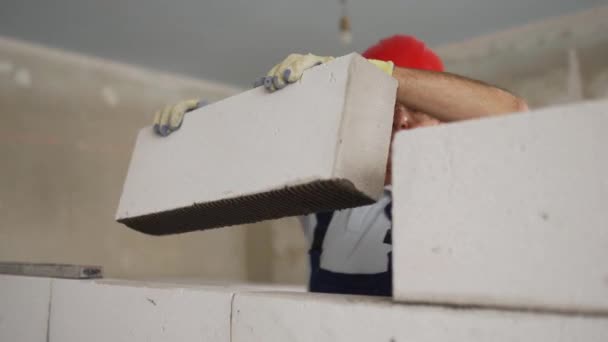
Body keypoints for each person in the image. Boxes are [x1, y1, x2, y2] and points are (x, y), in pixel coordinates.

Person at [152, 35, 528, 296]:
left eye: (418, 106)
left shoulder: (463, 187)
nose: (401, 119)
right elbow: (246, 155)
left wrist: (380, 74)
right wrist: (201, 129)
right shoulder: (324, 176)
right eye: (387, 104)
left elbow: (511, 114)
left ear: (445, 118)